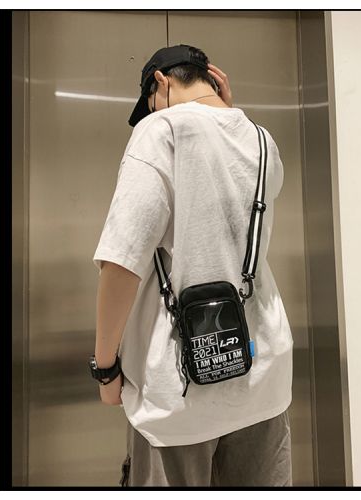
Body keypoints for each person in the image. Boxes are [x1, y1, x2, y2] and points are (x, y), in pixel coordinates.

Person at [90, 44, 294, 487]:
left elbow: (122, 262)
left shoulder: (159, 130)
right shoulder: (262, 139)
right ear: (213, 79)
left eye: (150, 102)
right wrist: (226, 112)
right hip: (264, 379)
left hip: (177, 393)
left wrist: (105, 369)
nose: (151, 112)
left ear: (159, 82)